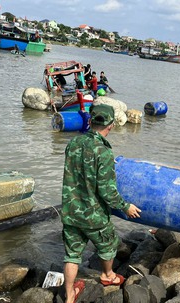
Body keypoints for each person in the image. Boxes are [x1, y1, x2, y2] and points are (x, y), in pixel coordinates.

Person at [61, 104, 141, 303]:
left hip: (71, 211)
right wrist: (125, 206)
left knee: (72, 255)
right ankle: (108, 276)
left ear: (90, 121)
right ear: (111, 125)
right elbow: (107, 191)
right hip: (93, 215)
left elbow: (77, 169)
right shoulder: (104, 152)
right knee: (107, 245)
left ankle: (69, 295)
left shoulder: (73, 143)